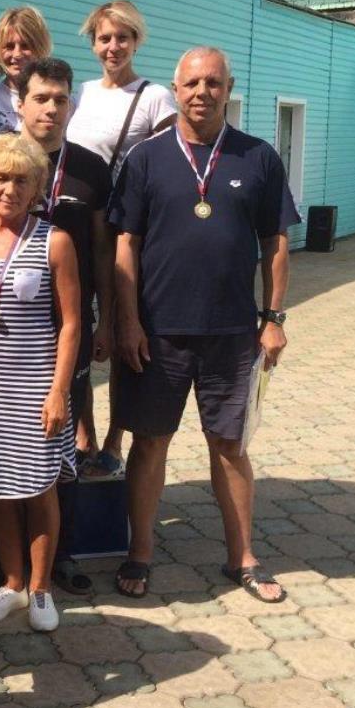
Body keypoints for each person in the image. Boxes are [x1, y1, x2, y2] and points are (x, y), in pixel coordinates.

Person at [109, 46, 298, 603]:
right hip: (158, 332)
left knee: (230, 445)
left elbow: (276, 240)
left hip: (232, 332)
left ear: (228, 89)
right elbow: (126, 243)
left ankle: (243, 557)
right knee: (150, 443)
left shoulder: (258, 157)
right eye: (192, 83)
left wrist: (273, 318)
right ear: (176, 88)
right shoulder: (145, 159)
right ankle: (140, 552)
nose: (202, 93)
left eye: (213, 83)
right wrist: (127, 321)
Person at [0, 58, 115, 594]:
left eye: (60, 99)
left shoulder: (89, 173)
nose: (51, 108)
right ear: (20, 103)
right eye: (41, 98)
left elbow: (102, 254)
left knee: (50, 470)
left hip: (52, 352)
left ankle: (50, 572)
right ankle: (9, 575)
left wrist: (106, 321)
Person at [0, 134, 80, 631]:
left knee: (40, 489)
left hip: (36, 387)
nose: (9, 189)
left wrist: (59, 391)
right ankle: (11, 583)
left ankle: (41, 589)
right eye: (0, 178)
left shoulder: (55, 240)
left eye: (21, 180)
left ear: (36, 188)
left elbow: (71, 324)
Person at [65, 0, 177, 478]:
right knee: (81, 333)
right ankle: (84, 435)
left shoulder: (154, 97)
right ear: (93, 43)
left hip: (130, 231)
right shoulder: (80, 94)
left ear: (136, 41)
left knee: (123, 333)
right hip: (83, 228)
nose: (113, 46)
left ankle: (115, 438)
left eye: (122, 37)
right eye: (104, 38)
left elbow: (172, 163)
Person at [0, 6, 52, 135]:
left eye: (25, 46)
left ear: (40, 48)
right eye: (9, 46)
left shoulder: (54, 99)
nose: (17, 54)